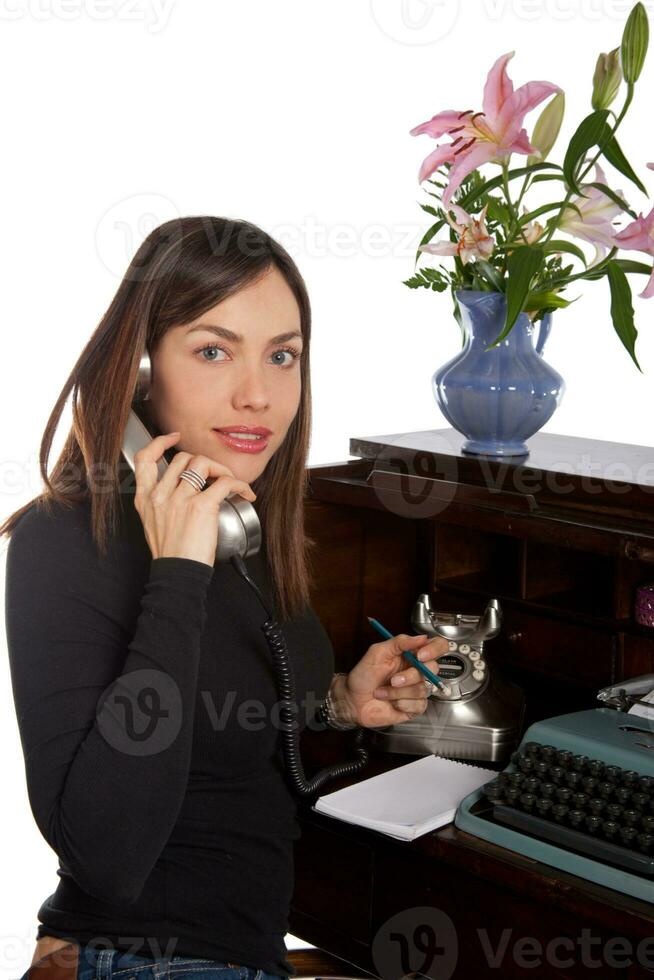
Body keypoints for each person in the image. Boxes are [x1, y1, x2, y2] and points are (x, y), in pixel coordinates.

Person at [2, 216, 446, 980]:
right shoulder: (67, 541)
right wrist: (178, 571)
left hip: (249, 949)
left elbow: (229, 731)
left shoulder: (243, 523)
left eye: (283, 357)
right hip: (140, 958)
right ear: (143, 371)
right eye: (214, 351)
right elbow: (105, 854)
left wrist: (339, 701)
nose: (258, 396)